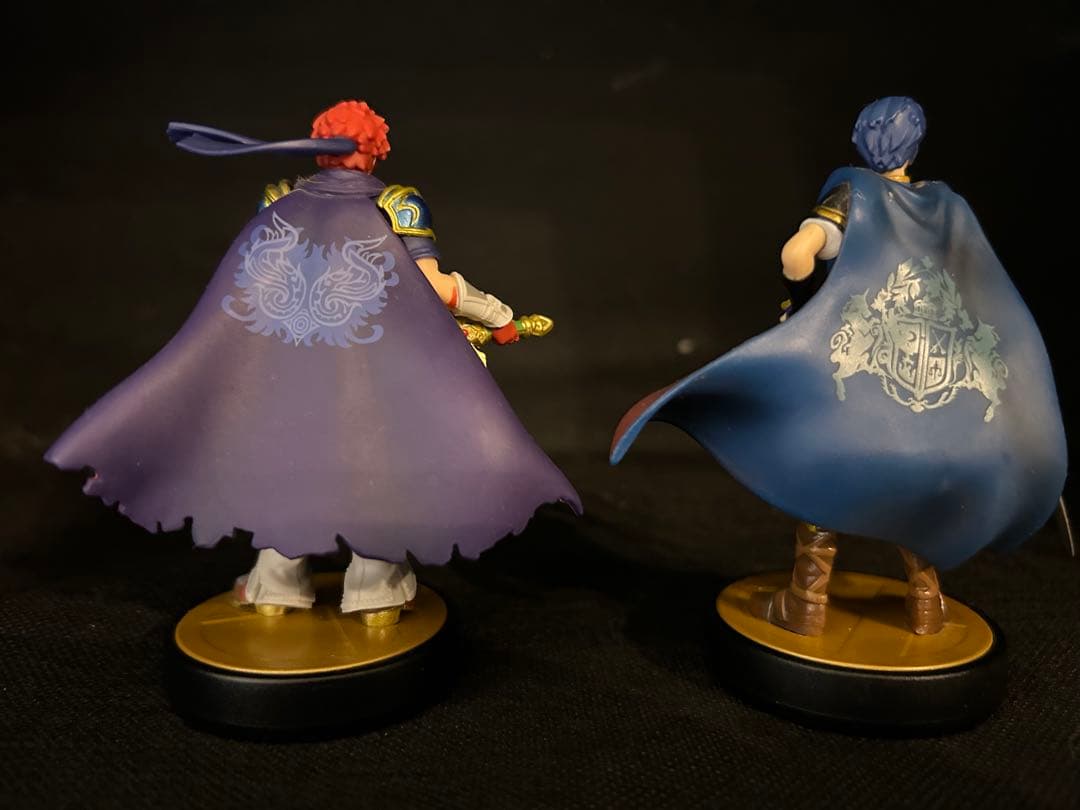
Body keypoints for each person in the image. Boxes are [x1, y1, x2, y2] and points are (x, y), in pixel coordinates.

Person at [46, 100, 581, 625]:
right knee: (376, 465)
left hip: (283, 370)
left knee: (289, 463)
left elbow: (250, 281)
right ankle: (376, 590)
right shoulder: (397, 205)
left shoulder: (280, 198)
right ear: (375, 150)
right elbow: (435, 288)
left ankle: (275, 585)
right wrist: (498, 315)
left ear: (321, 150)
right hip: (370, 374)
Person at [610, 96, 1066, 636]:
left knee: (823, 470)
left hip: (859, 391)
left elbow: (795, 255)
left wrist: (810, 303)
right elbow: (987, 293)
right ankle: (926, 603)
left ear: (859, 140)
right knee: (918, 497)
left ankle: (806, 603)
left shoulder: (853, 196)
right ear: (915, 145)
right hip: (938, 409)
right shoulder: (949, 207)